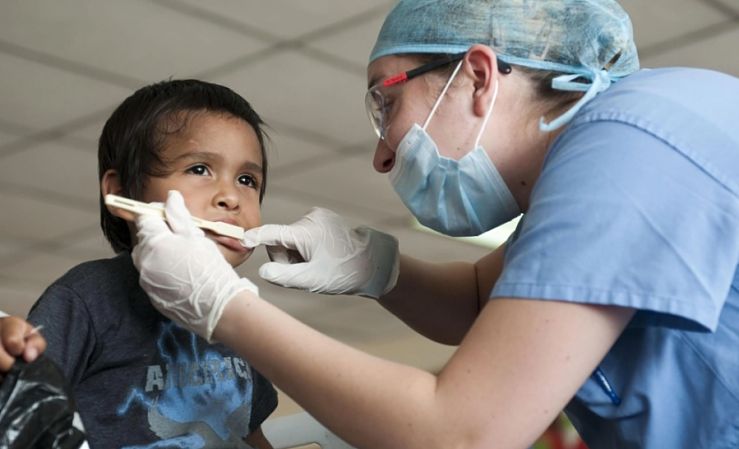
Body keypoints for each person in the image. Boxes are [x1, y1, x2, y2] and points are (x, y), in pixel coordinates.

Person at [131, 1, 739, 448]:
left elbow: (462, 434)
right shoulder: (611, 155)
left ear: (476, 75)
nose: (381, 156)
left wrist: (224, 306)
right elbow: (485, 300)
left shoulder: (626, 149)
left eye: (384, 103)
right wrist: (380, 270)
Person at [25, 80, 278, 449]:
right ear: (122, 192)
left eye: (247, 180)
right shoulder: (86, 297)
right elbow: (21, 406)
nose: (230, 197)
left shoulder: (241, 310)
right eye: (199, 169)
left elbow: (251, 435)